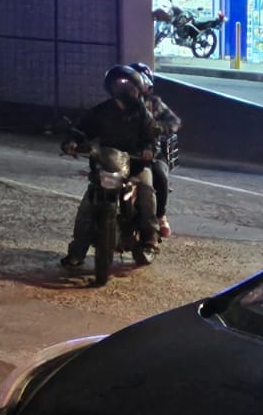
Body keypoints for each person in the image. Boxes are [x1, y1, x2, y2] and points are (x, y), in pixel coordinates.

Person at [60, 64, 161, 269]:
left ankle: (150, 237)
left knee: (147, 191)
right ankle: (77, 252)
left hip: (135, 167)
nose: (125, 89)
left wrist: (149, 149)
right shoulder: (101, 111)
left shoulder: (143, 114)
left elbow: (153, 138)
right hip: (106, 165)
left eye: (129, 85)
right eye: (120, 84)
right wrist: (72, 141)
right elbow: (81, 129)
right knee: (87, 207)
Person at [130, 61, 181, 239]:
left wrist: (157, 127)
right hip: (123, 150)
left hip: (152, 150)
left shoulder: (153, 103)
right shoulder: (117, 104)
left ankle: (160, 216)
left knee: (159, 174)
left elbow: (174, 122)